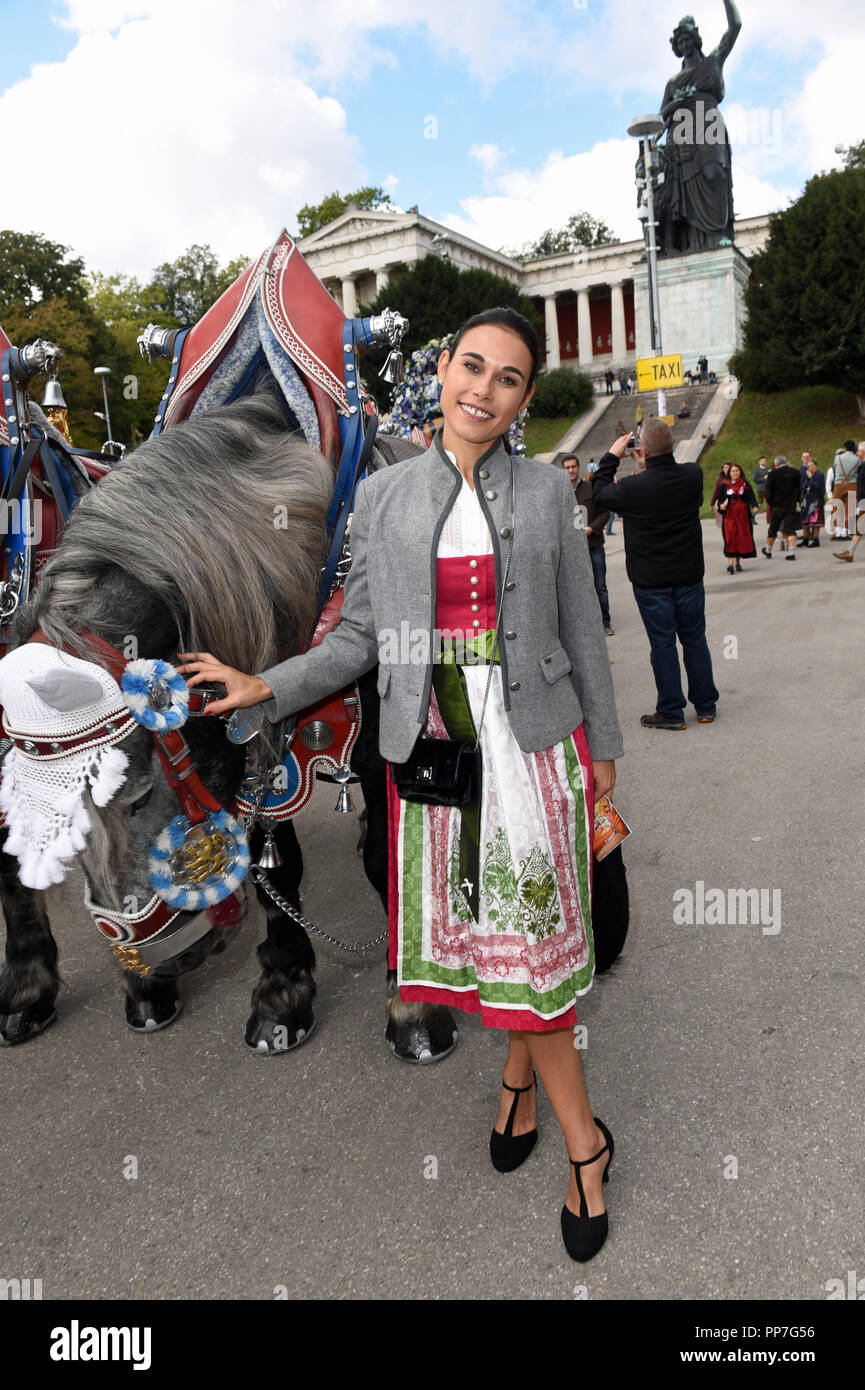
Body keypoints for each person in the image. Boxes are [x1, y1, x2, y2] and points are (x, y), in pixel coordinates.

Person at [179, 307, 624, 1263]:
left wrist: (603, 765)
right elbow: (359, 639)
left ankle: (584, 1144)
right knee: (504, 946)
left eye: (507, 378)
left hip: (534, 749)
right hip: (436, 758)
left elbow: (584, 633)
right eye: (472, 366)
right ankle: (516, 1085)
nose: (484, 388)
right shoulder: (383, 499)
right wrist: (268, 684)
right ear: (445, 372)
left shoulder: (547, 493)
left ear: (522, 400)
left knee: (531, 951)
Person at [593, 418, 719, 729]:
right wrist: (648, 463)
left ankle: (671, 711)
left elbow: (599, 493)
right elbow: (665, 483)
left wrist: (612, 455)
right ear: (673, 444)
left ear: (643, 449)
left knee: (663, 644)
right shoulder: (693, 474)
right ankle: (705, 705)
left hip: (652, 582)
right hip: (689, 576)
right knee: (695, 640)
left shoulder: (634, 487)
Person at [563, 453, 614, 636]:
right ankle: (583, 625)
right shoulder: (560, 493)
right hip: (571, 550)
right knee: (576, 588)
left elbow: (604, 513)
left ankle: (605, 622)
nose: (571, 470)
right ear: (563, 470)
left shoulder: (591, 488)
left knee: (599, 585)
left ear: (579, 467)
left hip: (593, 546)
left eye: (573, 467)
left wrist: (591, 529)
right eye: (567, 467)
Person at [717, 463, 757, 571]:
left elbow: (751, 497)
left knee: (740, 537)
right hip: (730, 514)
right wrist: (721, 505)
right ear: (729, 473)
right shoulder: (724, 485)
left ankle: (738, 563)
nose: (735, 473)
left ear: (740, 472)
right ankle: (730, 564)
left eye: (737, 470)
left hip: (742, 514)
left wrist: (755, 506)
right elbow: (719, 501)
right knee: (730, 537)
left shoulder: (744, 484)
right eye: (733, 471)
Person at [761, 455, 800, 560]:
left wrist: (770, 502)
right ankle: (791, 553)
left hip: (777, 505)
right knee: (791, 529)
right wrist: (797, 501)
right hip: (790, 504)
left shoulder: (772, 474)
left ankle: (768, 550)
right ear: (786, 462)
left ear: (776, 464)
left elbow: (768, 491)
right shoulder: (795, 472)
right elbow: (798, 489)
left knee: (773, 528)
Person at [834, 442, 865, 562]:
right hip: (862, 499)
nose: (857, 453)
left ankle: (850, 552)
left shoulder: (839, 458)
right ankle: (850, 552)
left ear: (863, 452)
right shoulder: (860, 464)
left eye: (859, 451)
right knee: (859, 527)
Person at [831, 439, 859, 541]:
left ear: (845, 447)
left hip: (839, 483)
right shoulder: (858, 459)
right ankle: (845, 532)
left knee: (837, 507)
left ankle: (838, 532)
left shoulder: (837, 458)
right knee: (849, 509)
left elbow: (835, 469)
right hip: (852, 484)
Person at [799, 456, 825, 547]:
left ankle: (815, 539)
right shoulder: (807, 476)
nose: (810, 468)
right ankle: (805, 539)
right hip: (806, 501)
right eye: (808, 466)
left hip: (816, 501)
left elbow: (817, 487)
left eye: (811, 466)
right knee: (805, 521)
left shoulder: (819, 475)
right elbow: (803, 486)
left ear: (816, 466)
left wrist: (810, 480)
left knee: (815, 522)